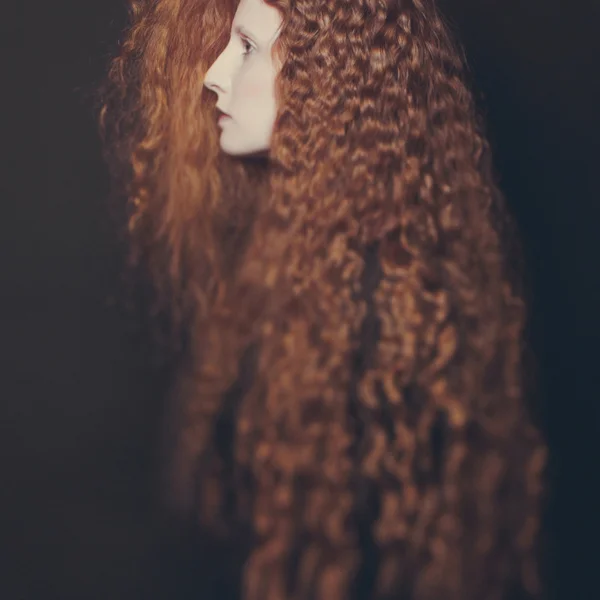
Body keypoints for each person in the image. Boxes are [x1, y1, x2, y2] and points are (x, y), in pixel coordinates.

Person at [99, 0, 547, 599]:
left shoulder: (381, 311)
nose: (213, 73)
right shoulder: (293, 245)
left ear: (326, 77)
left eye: (250, 48)